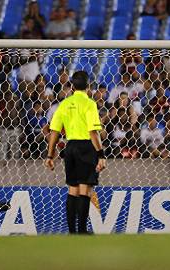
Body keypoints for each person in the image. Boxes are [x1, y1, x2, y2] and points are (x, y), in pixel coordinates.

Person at [44, 71, 106, 234]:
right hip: (86, 147)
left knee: (72, 189)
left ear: (72, 86)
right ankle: (82, 231)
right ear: (89, 86)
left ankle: (72, 232)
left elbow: (54, 131)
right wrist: (101, 154)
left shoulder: (64, 104)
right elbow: (93, 131)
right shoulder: (90, 104)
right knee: (84, 189)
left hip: (70, 148)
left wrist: (50, 155)